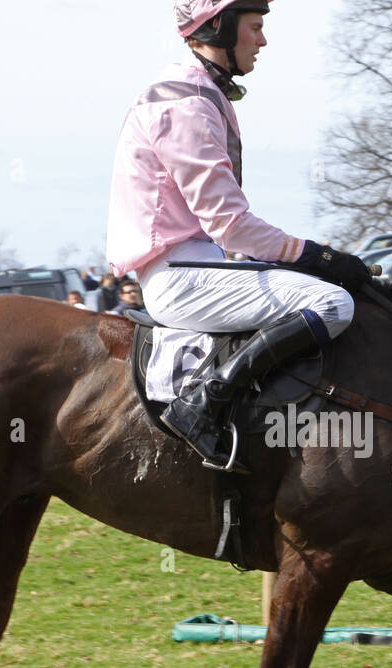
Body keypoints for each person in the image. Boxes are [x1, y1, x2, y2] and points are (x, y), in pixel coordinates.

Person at [106, 0, 370, 471]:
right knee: (333, 303)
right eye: (255, 27)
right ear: (222, 28)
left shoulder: (196, 91)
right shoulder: (185, 104)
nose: (262, 40)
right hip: (182, 277)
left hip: (195, 263)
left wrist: (306, 258)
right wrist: (320, 258)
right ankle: (204, 404)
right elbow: (228, 224)